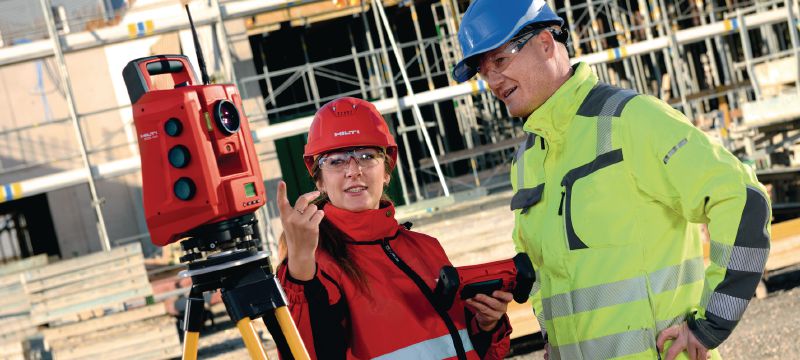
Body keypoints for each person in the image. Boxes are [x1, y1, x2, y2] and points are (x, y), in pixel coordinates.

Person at [452, 1, 771, 359]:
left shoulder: (630, 120)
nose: (492, 81)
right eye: (483, 70)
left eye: (499, 60)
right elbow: (544, 273)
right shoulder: (526, 160)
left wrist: (710, 325)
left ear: (545, 43)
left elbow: (742, 199)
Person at [275, 97, 513, 359]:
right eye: (336, 161)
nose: (353, 170)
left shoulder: (427, 247)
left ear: (387, 171)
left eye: (366, 156)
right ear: (319, 180)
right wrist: (299, 266)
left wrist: (486, 325)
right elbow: (304, 353)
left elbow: (470, 349)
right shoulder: (316, 269)